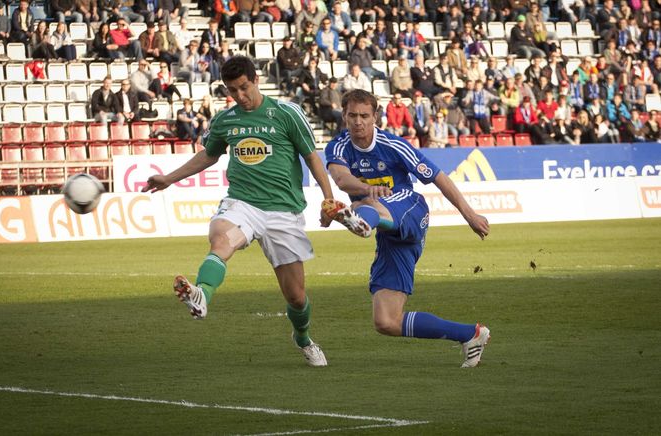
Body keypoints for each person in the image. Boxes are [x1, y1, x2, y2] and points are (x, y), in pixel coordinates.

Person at [142, 56, 335, 367]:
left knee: (297, 297)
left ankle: (303, 338)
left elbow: (312, 158)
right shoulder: (225, 120)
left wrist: (328, 199)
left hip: (283, 212)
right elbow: (207, 156)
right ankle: (202, 295)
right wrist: (168, 178)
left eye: (244, 88)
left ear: (255, 79)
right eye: (233, 91)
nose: (240, 96)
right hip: (242, 204)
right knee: (221, 240)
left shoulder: (287, 114)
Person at [322, 89, 491, 368]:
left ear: (375, 116)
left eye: (364, 116)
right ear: (344, 115)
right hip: (390, 234)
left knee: (375, 202)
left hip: (410, 210)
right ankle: (471, 335)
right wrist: (367, 189)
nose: (358, 121)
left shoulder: (393, 145)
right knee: (386, 321)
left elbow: (438, 177)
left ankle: (362, 222)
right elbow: (341, 179)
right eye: (352, 115)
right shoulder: (338, 146)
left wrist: (469, 214)